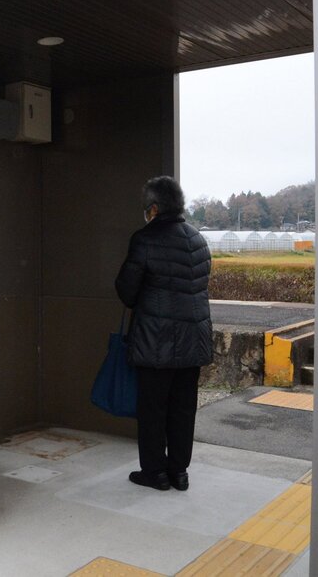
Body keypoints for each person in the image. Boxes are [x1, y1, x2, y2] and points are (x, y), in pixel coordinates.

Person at [115, 176, 212, 491]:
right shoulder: (199, 240)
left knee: (153, 409)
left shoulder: (145, 240)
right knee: (183, 409)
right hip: (193, 341)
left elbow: (127, 292)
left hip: (156, 343)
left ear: (153, 209)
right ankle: (179, 473)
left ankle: (154, 472)